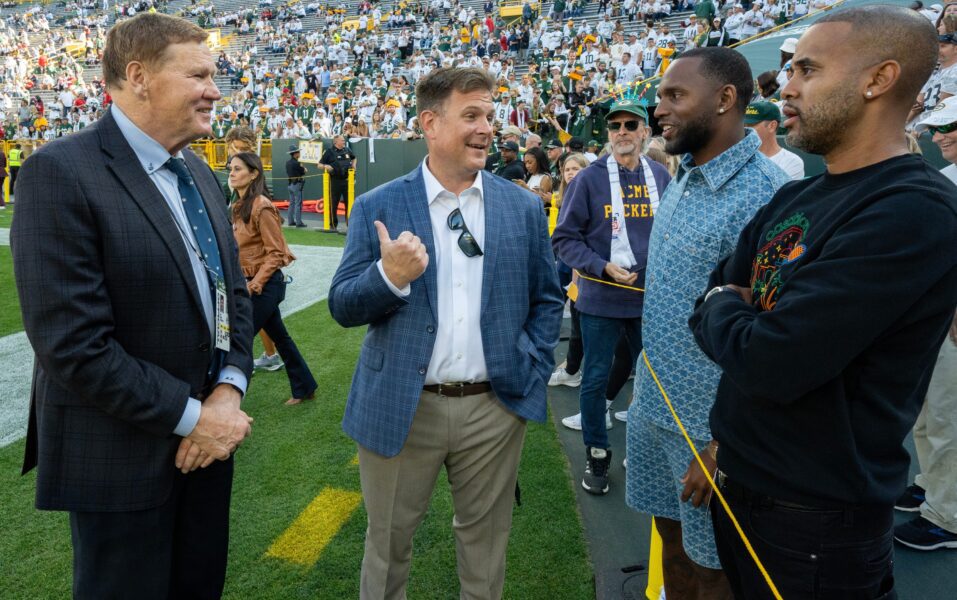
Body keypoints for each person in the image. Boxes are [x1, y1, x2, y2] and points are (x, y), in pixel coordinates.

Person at [689, 7, 957, 597]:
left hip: (818, 519)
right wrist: (729, 309)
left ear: (878, 79)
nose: (786, 86)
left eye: (807, 69)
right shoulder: (800, 196)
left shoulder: (912, 209)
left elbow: (771, 359)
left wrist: (725, 304)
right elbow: (715, 306)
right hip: (743, 485)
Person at [10, 13, 255, 598]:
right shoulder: (59, 172)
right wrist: (199, 419)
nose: (214, 90)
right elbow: (75, 347)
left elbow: (233, 295)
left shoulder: (197, 169)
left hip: (208, 453)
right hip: (119, 463)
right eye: (198, 74)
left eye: (214, 75)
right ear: (139, 76)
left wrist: (227, 390)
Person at [328, 67, 563, 600]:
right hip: (401, 406)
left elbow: (547, 297)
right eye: (472, 115)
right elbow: (342, 306)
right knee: (387, 548)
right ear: (430, 124)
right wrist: (390, 277)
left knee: (486, 549)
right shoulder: (378, 206)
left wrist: (532, 363)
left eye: (489, 115)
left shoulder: (522, 206)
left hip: (493, 407)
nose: (487, 128)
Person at [628, 46, 789, 600]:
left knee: (715, 568)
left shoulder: (766, 195)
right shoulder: (686, 173)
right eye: (660, 96)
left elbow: (772, 337)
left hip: (710, 430)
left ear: (725, 100)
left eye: (675, 95)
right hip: (653, 404)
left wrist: (723, 446)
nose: (659, 109)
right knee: (669, 545)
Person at [552, 98, 671, 496]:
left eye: (630, 125)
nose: (622, 131)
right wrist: (600, 266)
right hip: (602, 298)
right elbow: (564, 239)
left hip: (649, 300)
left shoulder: (661, 175)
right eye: (615, 125)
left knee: (655, 381)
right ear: (608, 135)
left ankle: (642, 451)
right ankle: (597, 454)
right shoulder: (588, 180)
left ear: (645, 133)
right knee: (596, 377)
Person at [888, 99, 957, 551]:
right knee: (927, 412)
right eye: (935, 128)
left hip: (951, 316)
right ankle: (931, 485)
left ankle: (948, 516)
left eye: (948, 127)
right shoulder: (948, 177)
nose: (937, 136)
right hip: (934, 313)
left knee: (947, 415)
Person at [229, 152, 317, 406]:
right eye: (230, 169)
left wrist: (255, 284)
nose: (232, 173)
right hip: (249, 283)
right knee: (281, 338)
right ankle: (305, 387)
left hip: (264, 285)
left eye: (237, 169)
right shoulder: (237, 207)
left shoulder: (262, 205)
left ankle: (225, 400)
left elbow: (276, 253)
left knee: (239, 339)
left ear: (254, 173)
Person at [744, 101, 805, 179]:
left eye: (751, 125)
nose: (745, 129)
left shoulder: (791, 162)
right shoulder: (739, 157)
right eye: (743, 125)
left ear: (772, 126)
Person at [318, 134, 356, 231]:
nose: (344, 142)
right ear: (336, 142)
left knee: (350, 203)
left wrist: (354, 166)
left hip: (347, 180)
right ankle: (333, 225)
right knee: (333, 203)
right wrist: (326, 167)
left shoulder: (347, 150)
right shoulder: (329, 152)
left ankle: (350, 225)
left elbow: (354, 157)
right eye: (342, 140)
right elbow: (319, 165)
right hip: (335, 181)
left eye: (344, 140)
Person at [285, 145, 308, 227]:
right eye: (298, 152)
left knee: (291, 203)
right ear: (295, 154)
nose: (299, 153)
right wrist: (304, 169)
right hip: (297, 185)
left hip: (290, 184)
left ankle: (290, 221)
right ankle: (298, 222)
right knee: (298, 203)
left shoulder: (288, 163)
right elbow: (303, 172)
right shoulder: (297, 163)